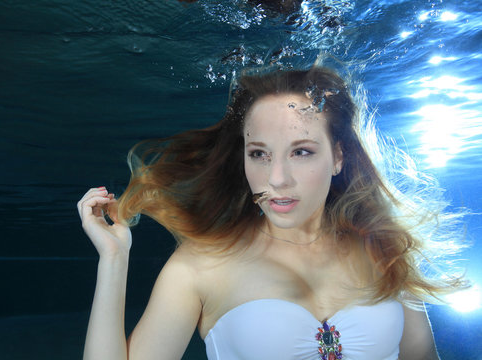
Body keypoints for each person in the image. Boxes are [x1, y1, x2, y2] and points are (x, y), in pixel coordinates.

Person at [77, 65, 464, 360]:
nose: (276, 178)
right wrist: (114, 258)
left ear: (339, 157)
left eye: (301, 151)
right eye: (259, 154)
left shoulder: (385, 248)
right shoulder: (202, 264)